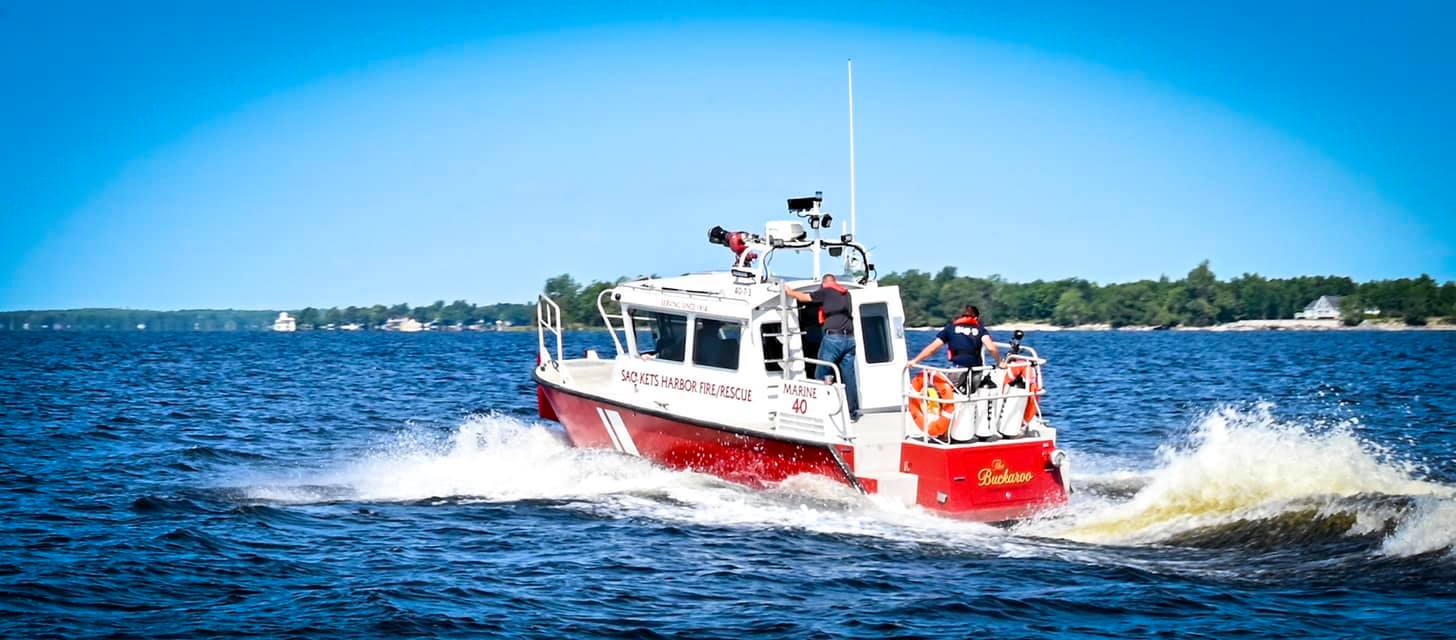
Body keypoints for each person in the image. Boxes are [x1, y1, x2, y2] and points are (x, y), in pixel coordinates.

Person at [784, 274, 860, 419]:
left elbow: (805, 298)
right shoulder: (846, 294)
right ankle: (852, 411)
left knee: (821, 371)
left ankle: (819, 410)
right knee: (849, 376)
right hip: (850, 339)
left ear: (824, 283)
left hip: (834, 338)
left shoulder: (826, 291)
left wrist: (790, 292)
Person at [908, 304, 1003, 389]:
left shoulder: (950, 329)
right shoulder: (981, 330)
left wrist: (915, 361)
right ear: (977, 318)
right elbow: (991, 348)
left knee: (933, 386)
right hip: (976, 371)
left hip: (958, 369)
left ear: (960, 317)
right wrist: (999, 362)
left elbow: (932, 349)